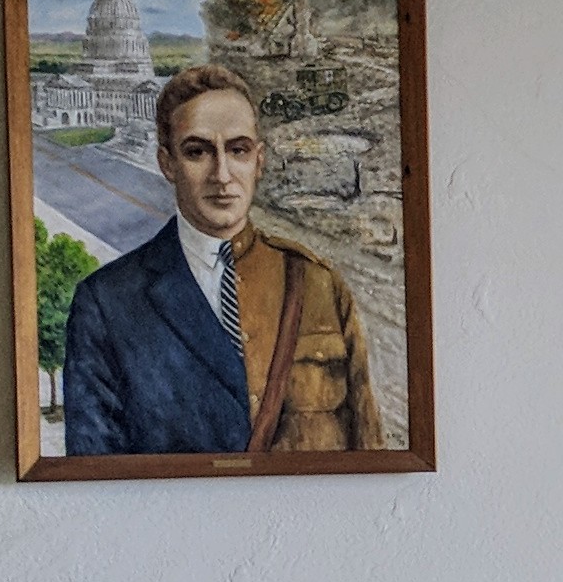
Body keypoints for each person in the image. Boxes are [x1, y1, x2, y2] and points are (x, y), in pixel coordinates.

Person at [59, 63, 381, 460]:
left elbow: (369, 453)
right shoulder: (107, 303)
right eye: (197, 152)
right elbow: (93, 480)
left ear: (259, 161)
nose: (222, 175)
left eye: (239, 150)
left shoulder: (319, 285)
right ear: (166, 163)